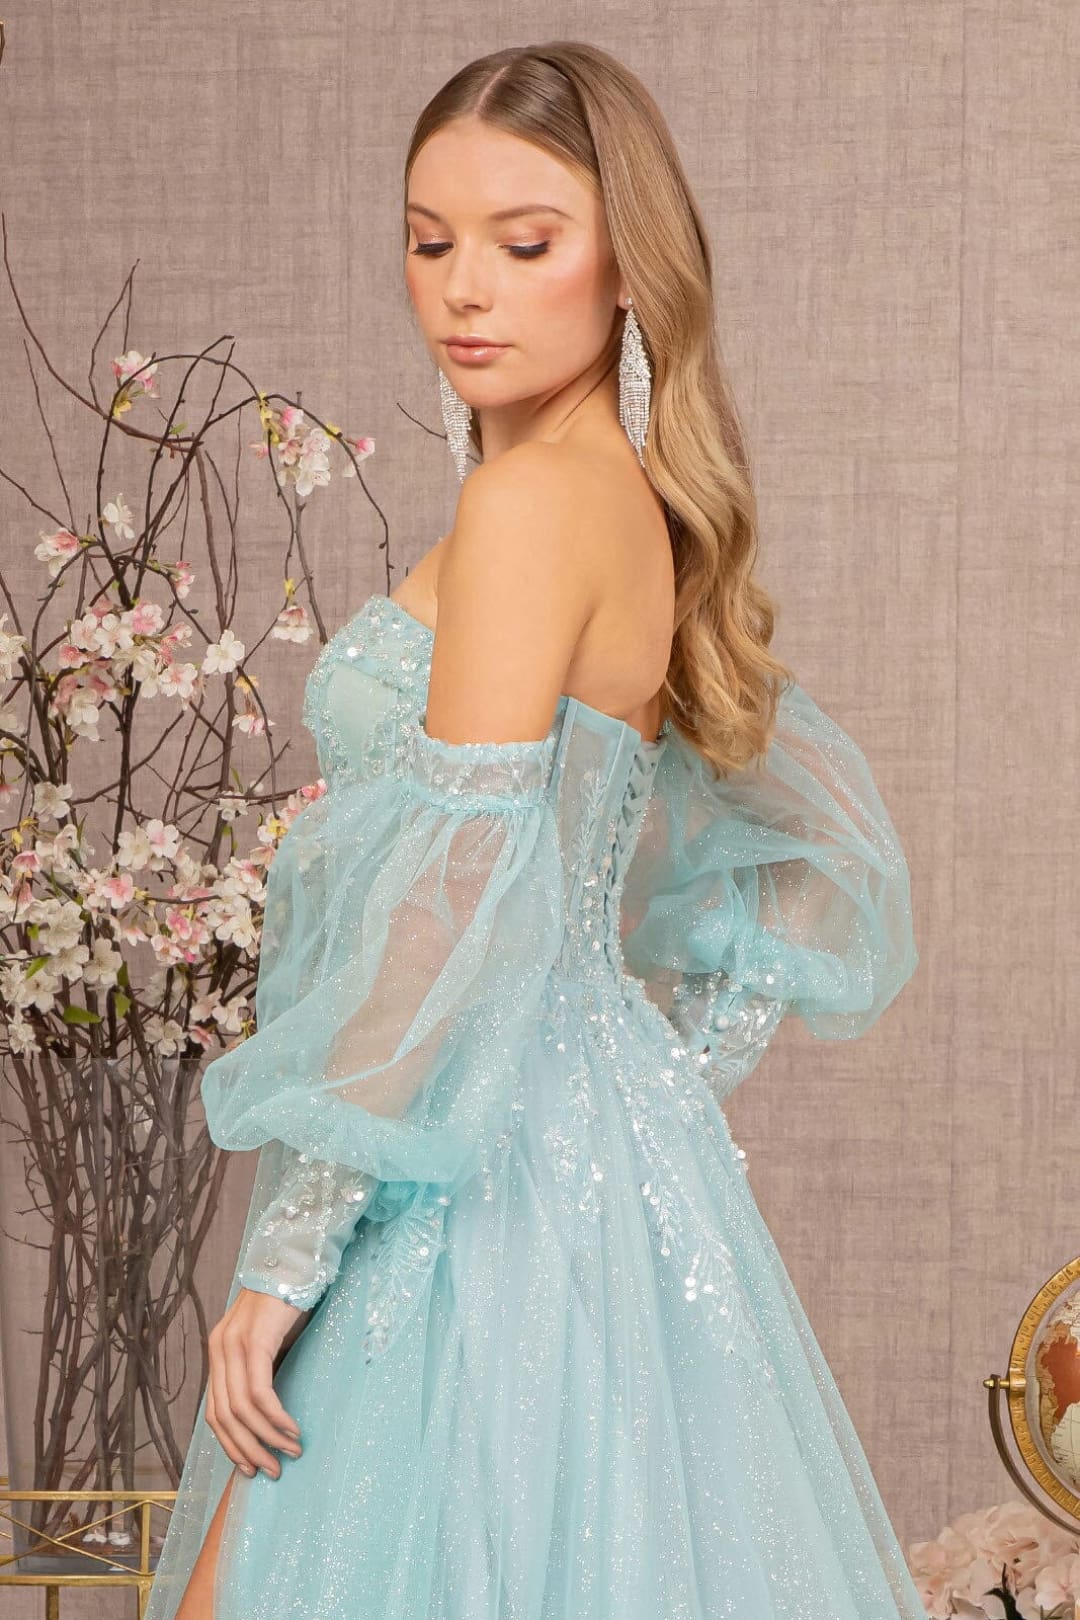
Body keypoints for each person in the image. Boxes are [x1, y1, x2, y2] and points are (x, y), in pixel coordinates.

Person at [148, 40, 923, 1620]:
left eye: (525, 241)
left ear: (629, 264)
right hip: (577, 1160)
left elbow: (453, 890)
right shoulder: (624, 504)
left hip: (465, 1165)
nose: (464, 290)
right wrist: (638, 1087)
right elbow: (752, 856)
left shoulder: (526, 507)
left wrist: (290, 1251)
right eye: (430, 240)